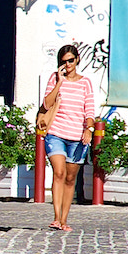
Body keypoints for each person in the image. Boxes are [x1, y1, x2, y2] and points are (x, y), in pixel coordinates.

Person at [37, 44, 95, 231]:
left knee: (70, 179)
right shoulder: (54, 79)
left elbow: (90, 109)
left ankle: (64, 219)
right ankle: (55, 217)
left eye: (71, 60)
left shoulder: (85, 83)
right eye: (64, 62)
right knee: (59, 172)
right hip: (56, 134)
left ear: (77, 59)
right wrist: (59, 82)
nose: (68, 64)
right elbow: (46, 103)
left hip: (77, 137)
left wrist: (89, 129)